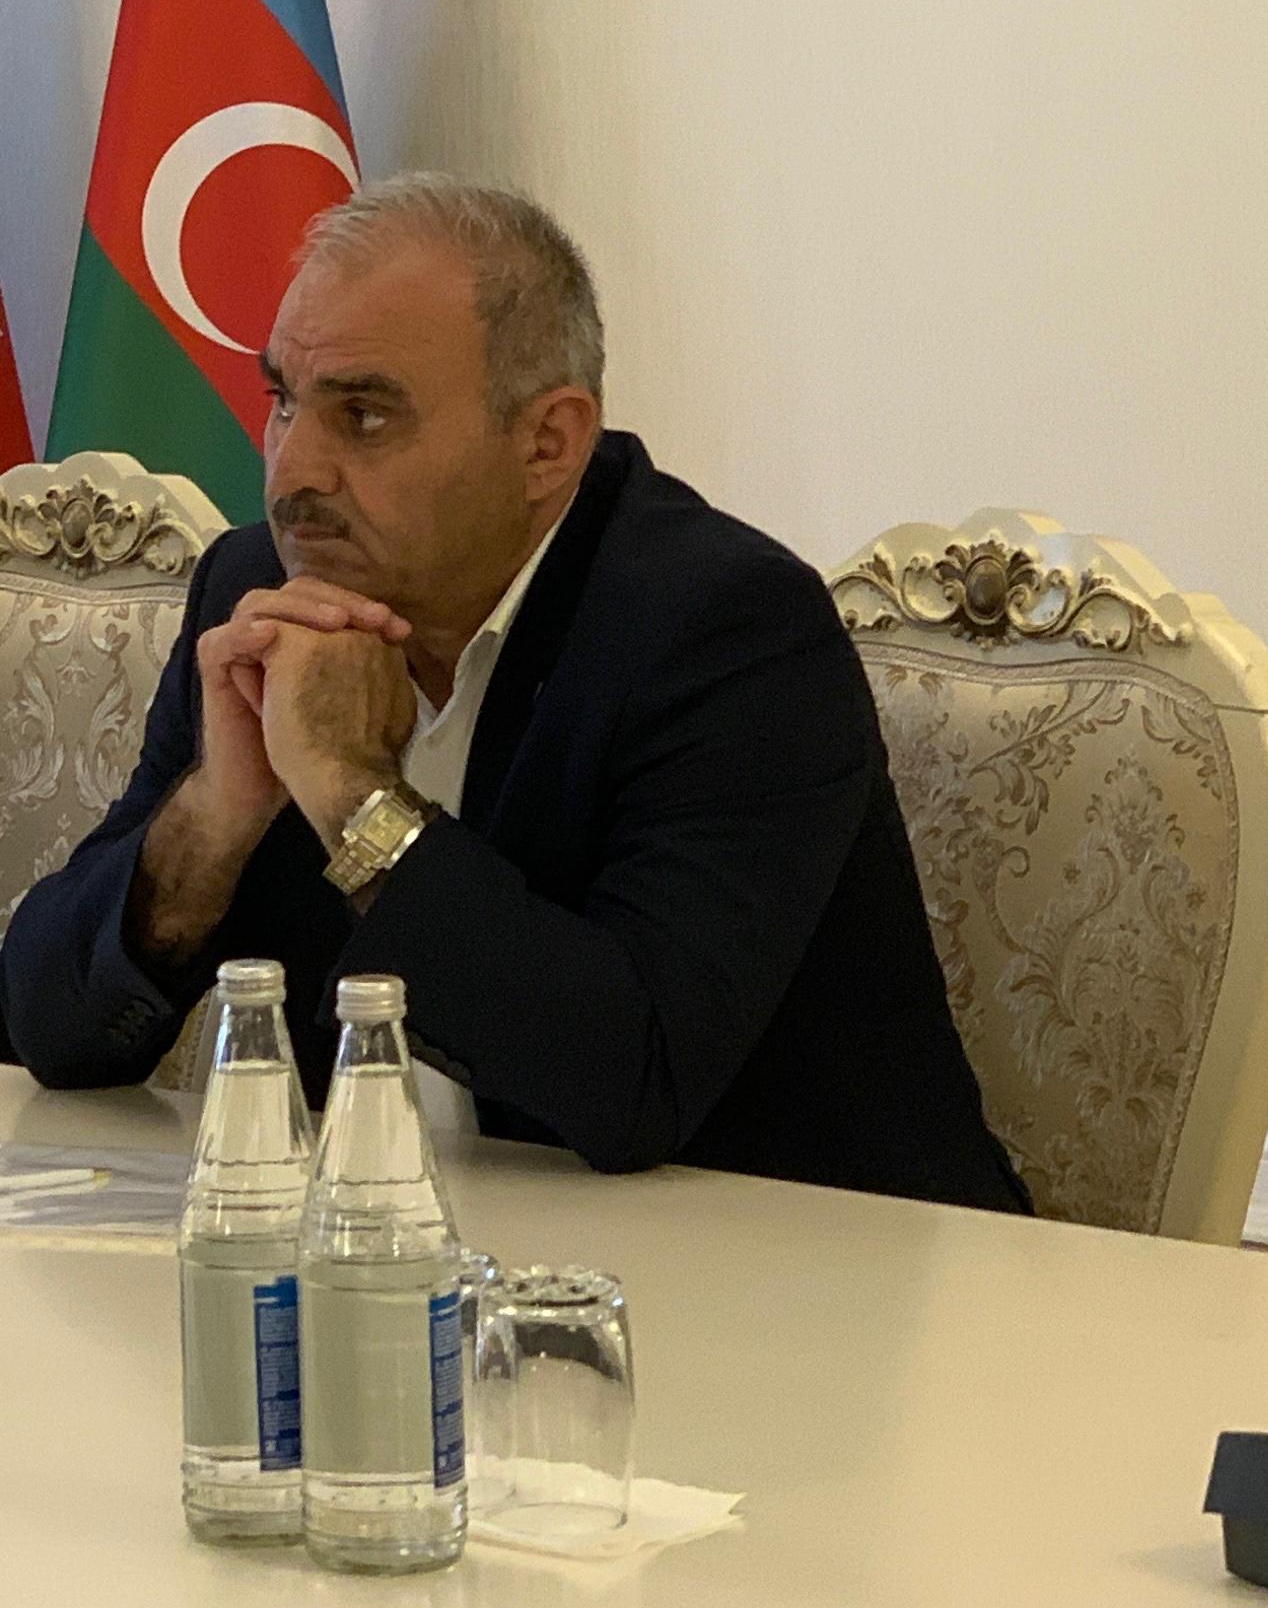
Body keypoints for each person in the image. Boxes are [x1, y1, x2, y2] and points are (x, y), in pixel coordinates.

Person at [0, 176, 1026, 1213]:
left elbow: (632, 1080)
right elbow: (44, 1028)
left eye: (364, 415)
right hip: (390, 1253)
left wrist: (355, 797)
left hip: (795, 1259)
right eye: (283, 401)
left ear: (547, 442)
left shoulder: (726, 631)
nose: (292, 470)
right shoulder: (258, 592)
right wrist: (216, 814)